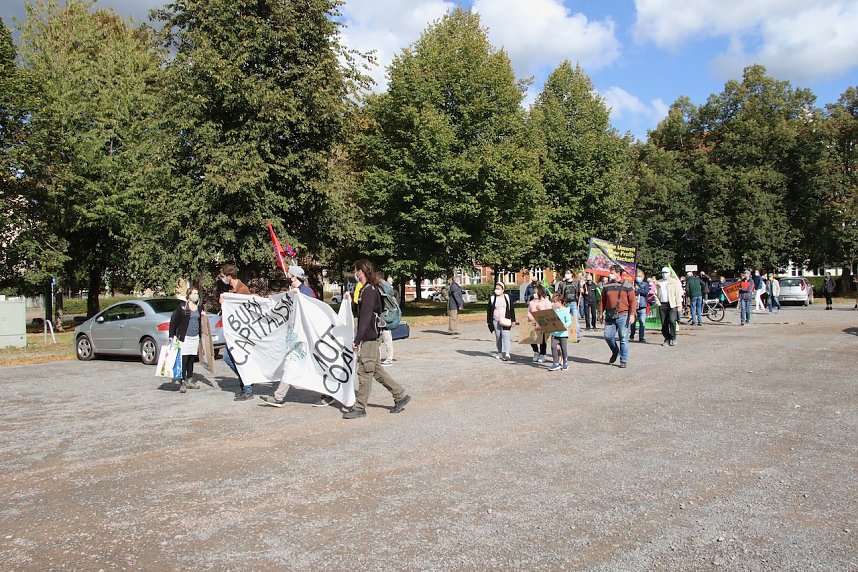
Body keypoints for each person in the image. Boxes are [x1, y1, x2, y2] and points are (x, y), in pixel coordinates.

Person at [343, 259, 411, 420]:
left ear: (361, 271)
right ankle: (400, 395)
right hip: (372, 335)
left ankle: (360, 407)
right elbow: (362, 311)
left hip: (370, 336)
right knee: (376, 370)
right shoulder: (367, 289)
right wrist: (350, 296)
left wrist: (357, 339)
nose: (354, 273)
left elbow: (365, 318)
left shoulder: (369, 291)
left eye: (356, 270)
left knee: (365, 371)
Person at [218, 264, 254, 400]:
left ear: (228, 276)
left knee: (235, 359)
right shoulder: (232, 289)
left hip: (240, 332)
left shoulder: (242, 290)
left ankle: (248, 387)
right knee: (229, 358)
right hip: (233, 332)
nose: (222, 279)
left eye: (223, 276)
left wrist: (225, 303)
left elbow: (246, 309)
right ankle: (245, 384)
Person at [168, 287, 205, 393]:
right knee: (183, 359)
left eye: (197, 293)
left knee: (191, 359)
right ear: (189, 295)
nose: (196, 295)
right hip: (185, 337)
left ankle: (190, 379)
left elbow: (201, 321)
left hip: (194, 337)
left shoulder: (199, 307)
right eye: (194, 293)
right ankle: (182, 381)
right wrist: (171, 335)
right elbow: (174, 321)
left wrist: (203, 316)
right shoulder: (182, 307)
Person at [600, 265, 636, 367]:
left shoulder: (627, 285)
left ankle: (623, 360)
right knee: (608, 336)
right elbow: (602, 301)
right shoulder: (606, 286)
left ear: (618, 273)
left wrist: (632, 314)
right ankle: (615, 351)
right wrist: (601, 313)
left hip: (623, 314)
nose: (610, 274)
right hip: (610, 314)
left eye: (612, 272)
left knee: (623, 337)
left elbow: (633, 301)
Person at [487, 282, 515, 361]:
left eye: (498, 289)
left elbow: (512, 309)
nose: (496, 290)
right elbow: (489, 311)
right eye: (496, 289)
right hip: (496, 320)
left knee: (506, 336)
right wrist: (489, 321)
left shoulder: (507, 297)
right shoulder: (492, 298)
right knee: (498, 337)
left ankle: (507, 353)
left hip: (506, 320)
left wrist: (513, 320)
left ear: (503, 290)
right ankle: (499, 352)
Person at [656, 266, 682, 346]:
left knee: (672, 320)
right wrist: (658, 302)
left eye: (666, 272)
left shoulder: (674, 282)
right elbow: (655, 294)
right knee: (664, 323)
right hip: (662, 304)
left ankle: (673, 337)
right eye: (663, 272)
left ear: (670, 273)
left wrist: (679, 305)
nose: (664, 274)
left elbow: (677, 294)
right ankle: (667, 338)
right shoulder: (659, 282)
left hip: (672, 304)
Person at [527, 284, 552, 362]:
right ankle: (536, 352)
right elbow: (529, 311)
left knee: (543, 340)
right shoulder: (532, 302)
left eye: (536, 292)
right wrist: (531, 318)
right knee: (532, 339)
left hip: (543, 322)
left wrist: (541, 309)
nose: (534, 293)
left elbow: (549, 311)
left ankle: (542, 354)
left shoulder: (546, 301)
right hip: (533, 323)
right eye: (534, 292)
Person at [376, 272, 396, 366]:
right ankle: (387, 357)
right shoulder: (387, 288)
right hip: (386, 314)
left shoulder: (381, 288)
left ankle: (388, 358)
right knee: (385, 337)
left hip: (383, 315)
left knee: (385, 337)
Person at [548, 292, 572, 371]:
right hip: (554, 332)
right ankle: (555, 363)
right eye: (552, 302)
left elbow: (569, 321)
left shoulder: (565, 311)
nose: (553, 303)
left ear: (559, 302)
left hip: (562, 333)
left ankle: (565, 362)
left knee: (563, 348)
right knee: (553, 347)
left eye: (554, 302)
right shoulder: (553, 311)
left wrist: (566, 325)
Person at [560, 270, 581, 342]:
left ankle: (577, 336)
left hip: (574, 303)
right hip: (566, 304)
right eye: (566, 273)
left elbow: (579, 292)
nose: (567, 274)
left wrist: (582, 291)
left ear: (571, 274)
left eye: (568, 273)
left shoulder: (576, 283)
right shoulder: (562, 284)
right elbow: (560, 293)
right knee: (566, 320)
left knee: (575, 320)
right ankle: (568, 335)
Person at [630, 268, 649, 342]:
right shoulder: (632, 283)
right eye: (637, 276)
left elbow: (646, 292)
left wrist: (638, 290)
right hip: (634, 305)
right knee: (632, 322)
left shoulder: (645, 284)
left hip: (642, 305)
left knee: (642, 322)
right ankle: (632, 334)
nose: (638, 278)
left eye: (640, 276)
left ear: (643, 277)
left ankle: (641, 337)